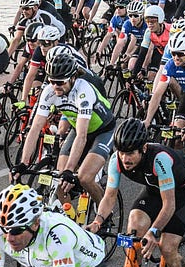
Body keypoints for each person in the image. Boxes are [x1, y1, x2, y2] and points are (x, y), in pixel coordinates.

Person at [90, 118, 185, 267]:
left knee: (167, 247)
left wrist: (154, 231)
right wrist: (97, 221)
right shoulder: (116, 160)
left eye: (130, 153)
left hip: (179, 194)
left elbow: (169, 205)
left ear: (144, 148)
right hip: (154, 191)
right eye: (122, 152)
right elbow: (110, 196)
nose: (125, 158)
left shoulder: (159, 160)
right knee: (134, 228)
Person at [14, 48, 115, 208]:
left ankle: (104, 215)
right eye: (52, 81)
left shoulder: (83, 91)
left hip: (103, 131)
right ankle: (69, 219)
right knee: (59, 181)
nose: (55, 86)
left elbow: (82, 135)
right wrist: (24, 163)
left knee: (85, 177)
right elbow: (35, 128)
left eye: (60, 82)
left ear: (73, 78)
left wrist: (69, 169)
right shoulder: (49, 91)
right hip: (78, 128)